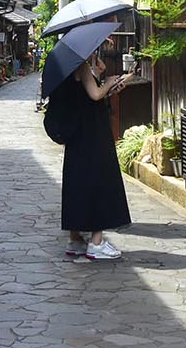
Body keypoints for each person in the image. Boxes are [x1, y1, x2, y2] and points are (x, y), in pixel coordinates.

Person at [55, 44, 133, 261]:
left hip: (77, 137)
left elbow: (84, 97)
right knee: (99, 181)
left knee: (77, 183)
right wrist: (107, 82)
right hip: (93, 137)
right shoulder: (81, 66)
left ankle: (76, 239)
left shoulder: (68, 68)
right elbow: (95, 95)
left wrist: (98, 75)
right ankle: (96, 243)